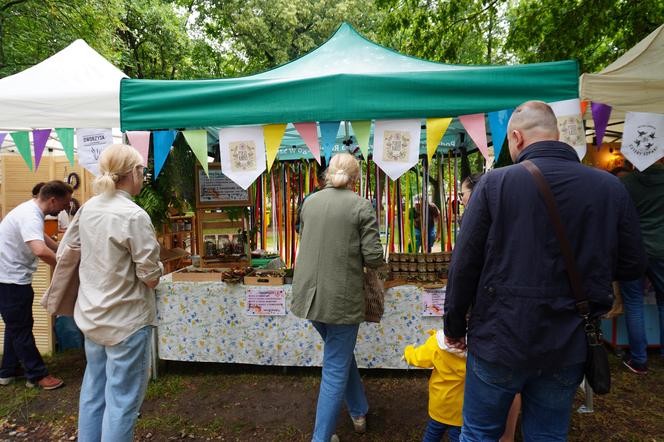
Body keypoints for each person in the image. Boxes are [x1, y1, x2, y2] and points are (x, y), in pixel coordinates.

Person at [443, 101, 647, 441]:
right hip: (567, 338)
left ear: (517, 137)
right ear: (557, 135)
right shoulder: (610, 187)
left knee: (479, 434)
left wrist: (454, 326)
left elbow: (463, 266)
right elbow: (632, 266)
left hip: (500, 336)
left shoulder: (495, 185)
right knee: (548, 436)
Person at [59, 144, 162, 442]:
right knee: (121, 402)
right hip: (127, 320)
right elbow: (151, 277)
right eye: (142, 171)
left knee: (93, 392)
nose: (143, 177)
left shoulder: (89, 207)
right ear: (132, 173)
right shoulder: (133, 215)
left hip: (92, 315)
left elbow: (69, 251)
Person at [291, 152, 384, 442]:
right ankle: (320, 439)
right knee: (335, 367)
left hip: (309, 298)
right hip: (341, 301)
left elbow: (306, 237)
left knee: (339, 356)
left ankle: (358, 410)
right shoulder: (361, 206)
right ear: (356, 179)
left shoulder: (310, 201)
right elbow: (373, 257)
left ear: (328, 173)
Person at [0, 180, 73, 390]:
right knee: (21, 328)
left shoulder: (28, 211)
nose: (65, 208)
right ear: (52, 200)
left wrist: (60, 249)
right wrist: (65, 267)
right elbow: (39, 250)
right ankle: (37, 375)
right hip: (10, 280)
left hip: (9, 278)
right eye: (64, 203)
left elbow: (39, 238)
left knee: (16, 325)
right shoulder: (31, 214)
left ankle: (8, 371)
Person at [618, 158, 664, 374]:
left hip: (633, 248)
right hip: (662, 248)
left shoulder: (626, 182)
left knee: (633, 303)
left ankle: (639, 359)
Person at [403, 329, 466, 442]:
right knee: (458, 436)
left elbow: (419, 358)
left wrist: (408, 351)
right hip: (462, 406)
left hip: (439, 402)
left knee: (433, 433)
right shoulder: (478, 346)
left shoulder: (436, 342)